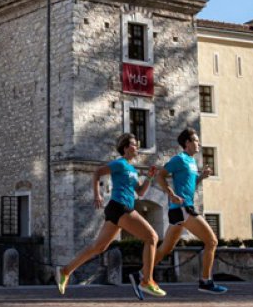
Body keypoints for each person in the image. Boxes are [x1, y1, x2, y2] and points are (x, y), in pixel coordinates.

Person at [56, 133, 165, 299]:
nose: (137, 147)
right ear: (126, 148)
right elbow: (97, 173)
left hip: (119, 209)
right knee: (152, 237)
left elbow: (140, 192)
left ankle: (65, 271)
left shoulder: (133, 170)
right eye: (134, 144)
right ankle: (146, 281)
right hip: (120, 207)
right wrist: (97, 194)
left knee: (98, 247)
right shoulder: (119, 163)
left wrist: (149, 177)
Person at [153, 128, 228, 294]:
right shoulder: (179, 159)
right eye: (196, 140)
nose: (199, 144)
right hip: (183, 208)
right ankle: (206, 282)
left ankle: (141, 274)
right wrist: (171, 194)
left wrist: (202, 177)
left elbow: (190, 187)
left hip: (181, 210)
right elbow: (160, 175)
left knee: (165, 249)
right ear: (187, 143)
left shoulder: (192, 162)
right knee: (212, 242)